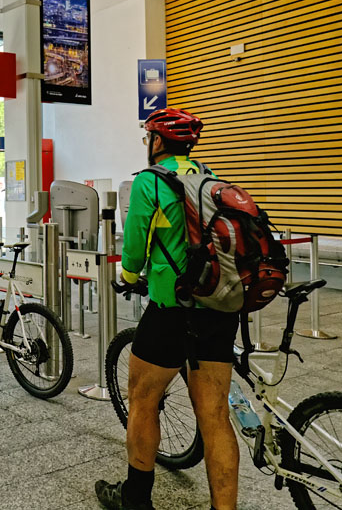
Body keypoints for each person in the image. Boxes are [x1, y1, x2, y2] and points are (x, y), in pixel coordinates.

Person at [96, 108, 239, 510]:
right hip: (217, 306)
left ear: (157, 142)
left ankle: (135, 498)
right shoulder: (209, 179)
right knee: (214, 417)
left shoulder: (150, 182)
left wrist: (126, 277)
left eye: (148, 139)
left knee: (142, 398)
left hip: (171, 307)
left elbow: (135, 249)